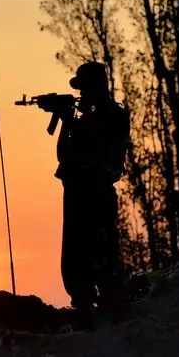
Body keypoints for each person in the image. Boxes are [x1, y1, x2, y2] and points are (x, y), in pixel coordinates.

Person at [46, 61, 131, 325]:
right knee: (75, 251)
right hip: (77, 191)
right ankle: (84, 302)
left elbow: (96, 148)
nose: (81, 94)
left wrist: (72, 121)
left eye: (84, 88)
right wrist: (67, 121)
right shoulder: (89, 119)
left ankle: (111, 301)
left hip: (95, 192)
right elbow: (65, 155)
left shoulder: (111, 117)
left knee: (102, 248)